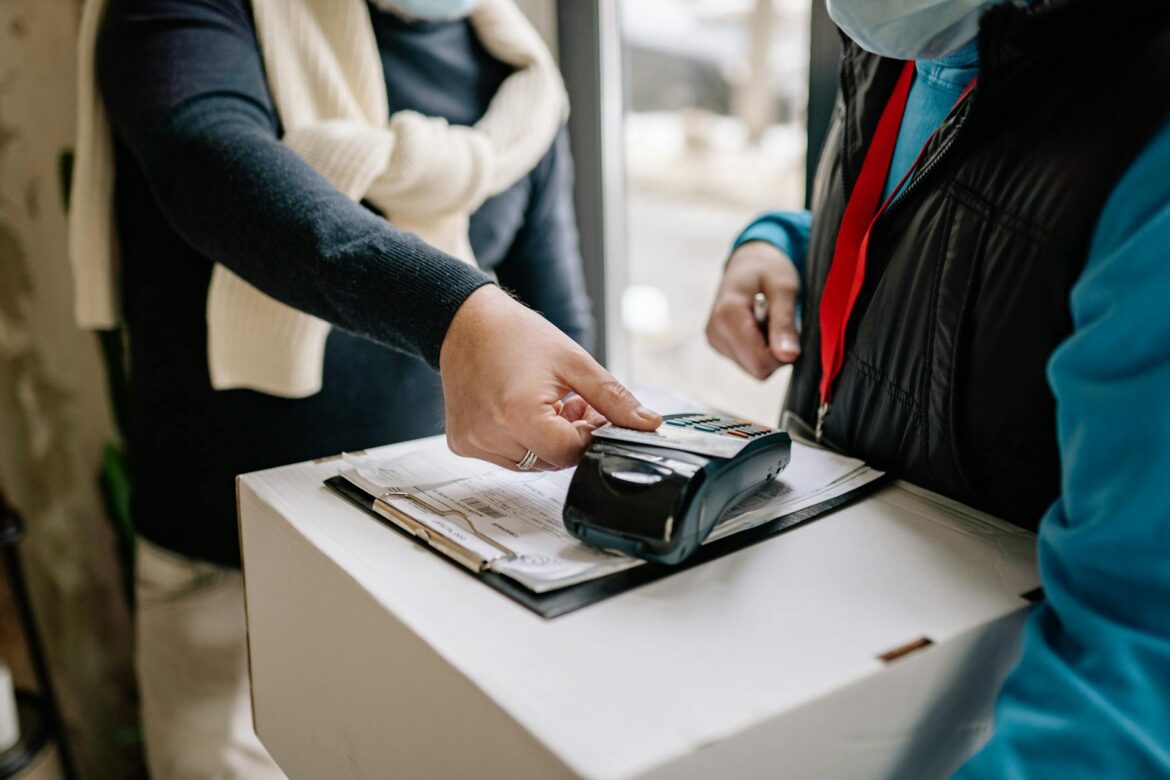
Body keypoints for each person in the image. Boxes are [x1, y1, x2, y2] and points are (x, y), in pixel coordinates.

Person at [70, 0, 660, 776]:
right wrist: (453, 312)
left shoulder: (522, 81)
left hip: (446, 560)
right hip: (226, 569)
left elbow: (559, 319)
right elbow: (204, 153)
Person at [707, 0, 1170, 775]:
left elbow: (1136, 666)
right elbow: (930, 203)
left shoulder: (1144, 133)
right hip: (848, 642)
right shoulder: (911, 37)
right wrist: (783, 240)